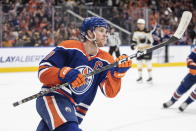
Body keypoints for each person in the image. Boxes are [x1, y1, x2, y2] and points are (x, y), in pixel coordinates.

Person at [36, 16, 132, 131]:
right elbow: (43, 71)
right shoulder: (69, 46)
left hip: (74, 109)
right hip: (53, 97)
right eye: (101, 31)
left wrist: (117, 74)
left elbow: (110, 92)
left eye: (107, 32)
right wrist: (65, 73)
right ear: (90, 33)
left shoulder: (107, 59)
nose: (106, 35)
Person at [163, 45, 196, 112]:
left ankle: (186, 103)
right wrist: (190, 63)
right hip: (193, 73)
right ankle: (172, 101)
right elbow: (189, 57)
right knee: (182, 87)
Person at [130, 18, 154, 84]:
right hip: (139, 50)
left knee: (148, 64)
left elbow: (152, 41)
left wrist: (149, 41)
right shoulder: (135, 32)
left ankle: (150, 77)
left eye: (141, 24)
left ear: (144, 24)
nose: (140, 25)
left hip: (147, 50)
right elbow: (134, 40)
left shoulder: (148, 32)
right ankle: (140, 77)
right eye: (139, 24)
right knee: (139, 64)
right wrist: (133, 45)